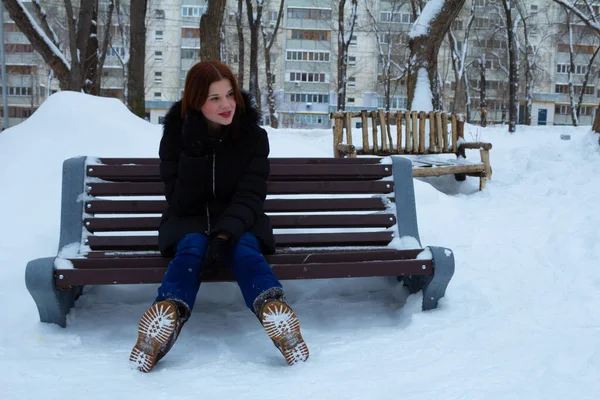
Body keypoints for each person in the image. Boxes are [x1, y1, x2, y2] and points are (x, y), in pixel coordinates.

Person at [129, 60, 309, 372]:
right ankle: (166, 316)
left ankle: (273, 311)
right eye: (214, 98)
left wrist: (224, 234)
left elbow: (251, 194)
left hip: (240, 219)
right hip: (189, 219)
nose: (227, 105)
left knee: (244, 250)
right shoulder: (175, 138)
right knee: (191, 250)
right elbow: (180, 202)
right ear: (196, 102)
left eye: (230, 94)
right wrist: (195, 151)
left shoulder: (253, 137)